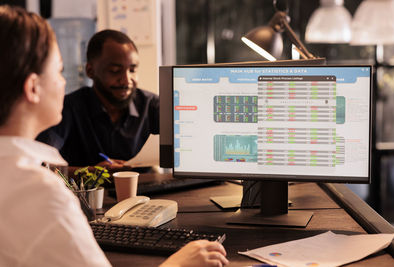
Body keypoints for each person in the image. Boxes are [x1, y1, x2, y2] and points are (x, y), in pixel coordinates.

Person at [0, 5, 229, 267]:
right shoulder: (42, 195)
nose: (64, 82)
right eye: (59, 71)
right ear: (32, 87)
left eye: (132, 69)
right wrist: (180, 263)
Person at [37, 29, 159, 170]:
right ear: (90, 71)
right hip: (87, 191)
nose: (127, 80)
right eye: (115, 70)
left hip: (146, 191)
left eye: (132, 70)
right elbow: (41, 164)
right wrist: (91, 173)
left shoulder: (151, 105)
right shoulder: (67, 108)